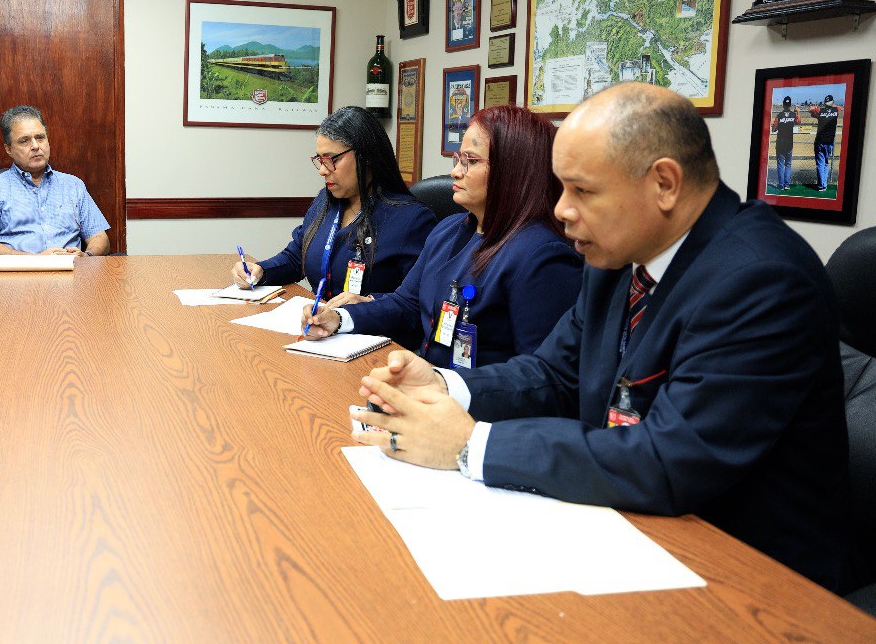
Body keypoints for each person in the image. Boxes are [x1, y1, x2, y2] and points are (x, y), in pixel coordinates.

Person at [350, 82, 858, 594]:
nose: (563, 210)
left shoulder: (761, 279)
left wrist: (468, 444)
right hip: (630, 532)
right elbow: (551, 372)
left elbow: (670, 458)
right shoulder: (619, 254)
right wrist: (446, 386)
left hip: (751, 578)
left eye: (583, 190)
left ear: (664, 183)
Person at [302, 106, 581, 369]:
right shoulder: (448, 230)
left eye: (470, 161)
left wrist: (446, 386)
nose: (455, 172)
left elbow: (540, 375)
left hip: (473, 407)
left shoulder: (542, 255)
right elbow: (405, 304)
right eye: (458, 159)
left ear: (513, 171)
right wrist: (340, 318)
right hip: (427, 383)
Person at [230, 107, 436, 309]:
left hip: (375, 335)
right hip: (320, 329)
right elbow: (296, 258)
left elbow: (419, 302)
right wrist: (260, 271)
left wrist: (370, 303)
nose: (322, 170)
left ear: (366, 156)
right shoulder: (325, 201)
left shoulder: (412, 220)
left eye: (331, 159)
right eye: (320, 160)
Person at [0, 105, 111, 257]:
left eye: (40, 138)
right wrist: (36, 260)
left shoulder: (73, 185)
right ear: (8, 149)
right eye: (24, 141)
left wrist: (86, 255)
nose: (35, 146)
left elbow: (100, 238)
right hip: (17, 277)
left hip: (72, 274)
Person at [814, 93, 839, 192]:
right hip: (829, 142)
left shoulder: (821, 112)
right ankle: (824, 184)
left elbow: (811, 110)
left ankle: (821, 185)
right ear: (832, 102)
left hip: (820, 141)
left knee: (820, 163)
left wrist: (818, 108)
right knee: (826, 163)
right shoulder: (836, 110)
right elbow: (838, 107)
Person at [772, 94, 798, 190]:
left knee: (780, 165)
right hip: (789, 144)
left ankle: (781, 185)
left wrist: (778, 126)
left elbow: (773, 129)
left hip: (780, 144)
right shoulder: (793, 115)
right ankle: (787, 185)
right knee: (788, 164)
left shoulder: (779, 116)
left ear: (783, 105)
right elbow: (798, 121)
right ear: (790, 105)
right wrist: (797, 112)